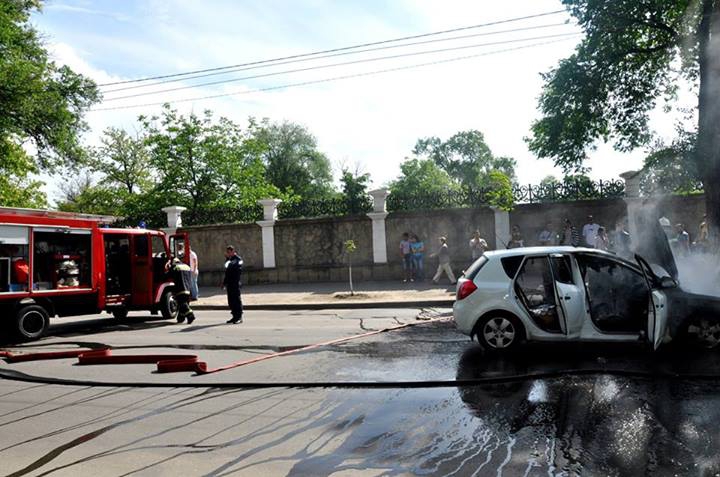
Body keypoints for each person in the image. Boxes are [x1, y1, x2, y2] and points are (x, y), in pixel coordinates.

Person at [166, 256, 196, 324]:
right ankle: (180, 318)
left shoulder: (175, 267)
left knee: (182, 304)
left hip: (180, 289)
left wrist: (167, 268)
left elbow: (168, 275)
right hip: (188, 288)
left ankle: (191, 315)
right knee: (183, 304)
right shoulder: (187, 266)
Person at [222, 245, 244, 324]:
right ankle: (234, 316)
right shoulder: (229, 260)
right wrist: (224, 283)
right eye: (227, 252)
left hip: (235, 283)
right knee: (231, 301)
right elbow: (227, 271)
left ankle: (239, 317)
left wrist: (228, 259)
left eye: (229, 252)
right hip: (230, 283)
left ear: (233, 252)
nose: (228, 254)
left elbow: (235, 267)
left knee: (236, 300)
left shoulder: (238, 259)